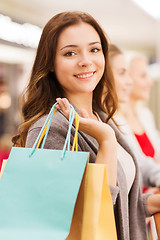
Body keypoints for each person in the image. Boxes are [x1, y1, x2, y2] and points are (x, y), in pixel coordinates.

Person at [12, 11, 160, 240]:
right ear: (50, 63)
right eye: (70, 53)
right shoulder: (50, 129)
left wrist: (150, 202)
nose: (86, 61)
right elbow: (87, 221)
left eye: (94, 49)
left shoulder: (103, 118)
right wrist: (106, 142)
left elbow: (115, 209)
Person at [108, 44, 160, 239]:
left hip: (138, 213)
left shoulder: (140, 115)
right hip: (129, 221)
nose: (129, 81)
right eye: (122, 73)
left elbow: (144, 164)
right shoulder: (109, 123)